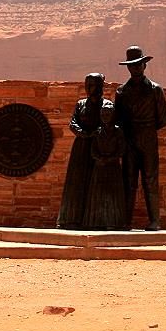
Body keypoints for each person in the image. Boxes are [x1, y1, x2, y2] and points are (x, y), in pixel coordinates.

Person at [114, 45, 166, 231]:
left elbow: (163, 119)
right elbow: (118, 119)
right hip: (129, 140)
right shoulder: (121, 92)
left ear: (144, 65)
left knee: (150, 179)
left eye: (139, 64)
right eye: (132, 65)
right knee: (128, 181)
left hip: (148, 139)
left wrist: (146, 129)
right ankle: (125, 221)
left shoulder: (155, 90)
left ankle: (155, 221)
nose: (136, 68)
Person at [57, 73, 105, 229]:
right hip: (81, 147)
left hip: (98, 147)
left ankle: (95, 220)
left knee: (96, 182)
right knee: (76, 182)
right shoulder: (80, 104)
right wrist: (84, 133)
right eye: (88, 85)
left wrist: (97, 132)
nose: (90, 88)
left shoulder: (107, 105)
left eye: (94, 85)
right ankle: (71, 219)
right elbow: (73, 123)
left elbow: (110, 123)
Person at [84, 102, 128, 230]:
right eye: (103, 113)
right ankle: (95, 222)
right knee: (97, 194)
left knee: (113, 195)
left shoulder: (118, 131)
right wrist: (100, 158)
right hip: (99, 167)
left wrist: (110, 159)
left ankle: (114, 222)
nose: (105, 116)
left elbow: (121, 149)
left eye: (108, 113)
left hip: (113, 167)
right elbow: (93, 150)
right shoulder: (97, 132)